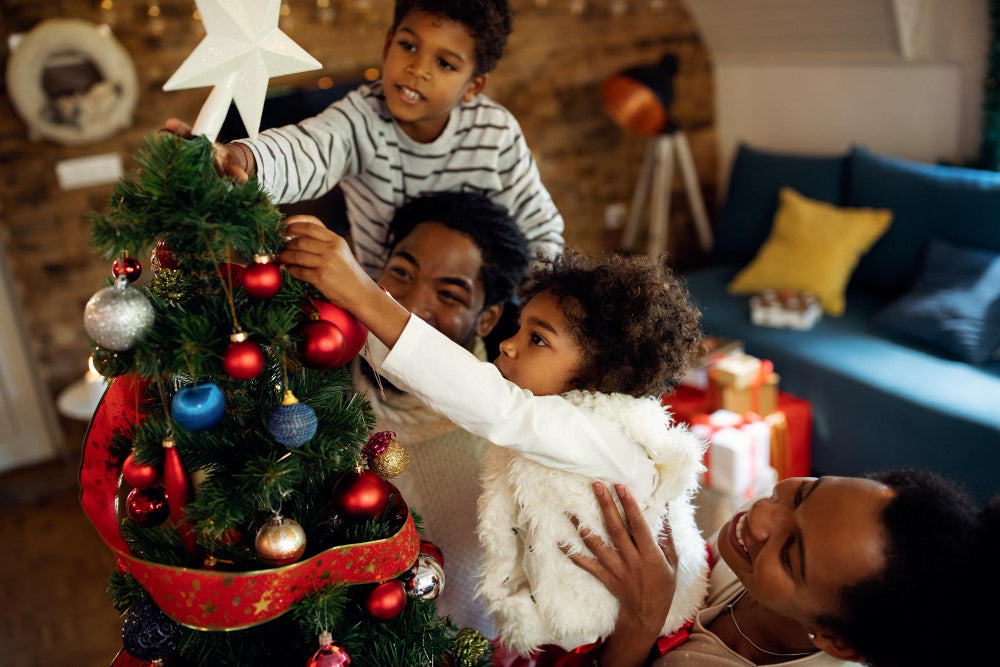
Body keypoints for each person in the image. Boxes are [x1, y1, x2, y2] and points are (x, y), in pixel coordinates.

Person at [278, 222, 708, 656]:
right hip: (573, 635)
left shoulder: (604, 435)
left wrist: (361, 294)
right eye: (519, 329)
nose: (507, 346)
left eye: (537, 339)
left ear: (601, 374)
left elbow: (490, 404)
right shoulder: (566, 430)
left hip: (636, 642)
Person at [168, 0, 564, 279]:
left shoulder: (496, 133)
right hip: (380, 311)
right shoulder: (360, 117)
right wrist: (242, 157)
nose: (417, 69)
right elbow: (310, 148)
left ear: (474, 86)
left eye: (444, 63)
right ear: (388, 42)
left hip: (470, 315)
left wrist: (528, 302)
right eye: (408, 46)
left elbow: (540, 229)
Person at [567, 470, 1000, 667]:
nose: (759, 518)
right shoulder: (743, 560)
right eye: (804, 494)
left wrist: (640, 624)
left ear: (836, 640)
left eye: (791, 554)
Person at [354, 191, 530, 636]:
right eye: (401, 273)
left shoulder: (503, 442)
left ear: (487, 319)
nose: (410, 306)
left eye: (449, 294)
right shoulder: (317, 392)